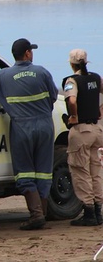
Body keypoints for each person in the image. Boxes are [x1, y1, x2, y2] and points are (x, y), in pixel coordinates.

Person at [0, 38, 58, 230]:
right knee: (43, 171)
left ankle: (36, 215)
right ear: (27, 53)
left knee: (24, 171)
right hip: (44, 125)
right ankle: (40, 213)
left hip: (21, 127)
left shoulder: (3, 75)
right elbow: (53, 96)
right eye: (31, 50)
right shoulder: (42, 72)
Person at [62, 48, 103, 226]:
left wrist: (73, 116)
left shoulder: (72, 81)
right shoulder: (96, 77)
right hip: (97, 130)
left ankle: (88, 211)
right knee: (96, 172)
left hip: (81, 130)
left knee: (80, 170)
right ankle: (98, 209)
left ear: (72, 63)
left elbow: (71, 100)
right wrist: (100, 111)